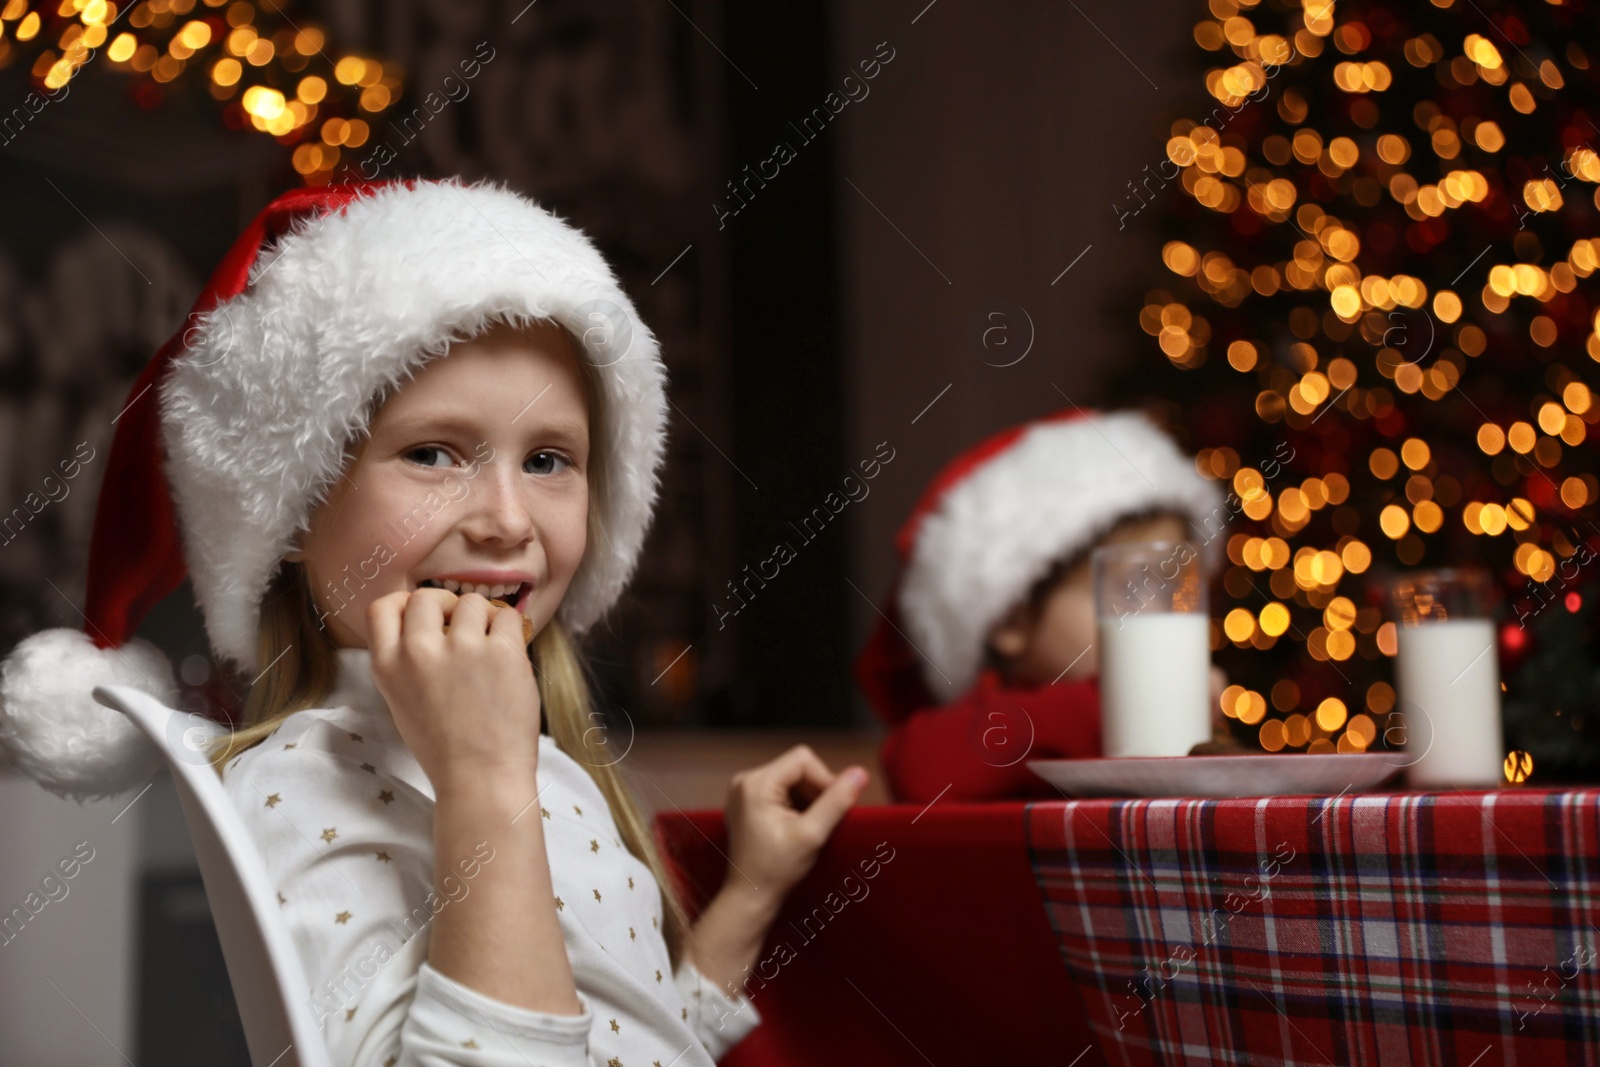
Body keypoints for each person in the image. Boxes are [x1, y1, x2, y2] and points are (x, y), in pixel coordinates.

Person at [0, 179, 870, 1066]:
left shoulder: (542, 764)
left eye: (547, 460)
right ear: (295, 513)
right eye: (432, 453)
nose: (506, 519)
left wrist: (749, 893)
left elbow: (623, 1041)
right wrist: (486, 783)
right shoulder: (303, 784)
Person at [854, 407, 1229, 803]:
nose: (1157, 611)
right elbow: (917, 767)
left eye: (1172, 592)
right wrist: (1110, 703)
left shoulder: (1181, 700)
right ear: (1012, 620)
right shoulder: (989, 720)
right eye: (1131, 590)